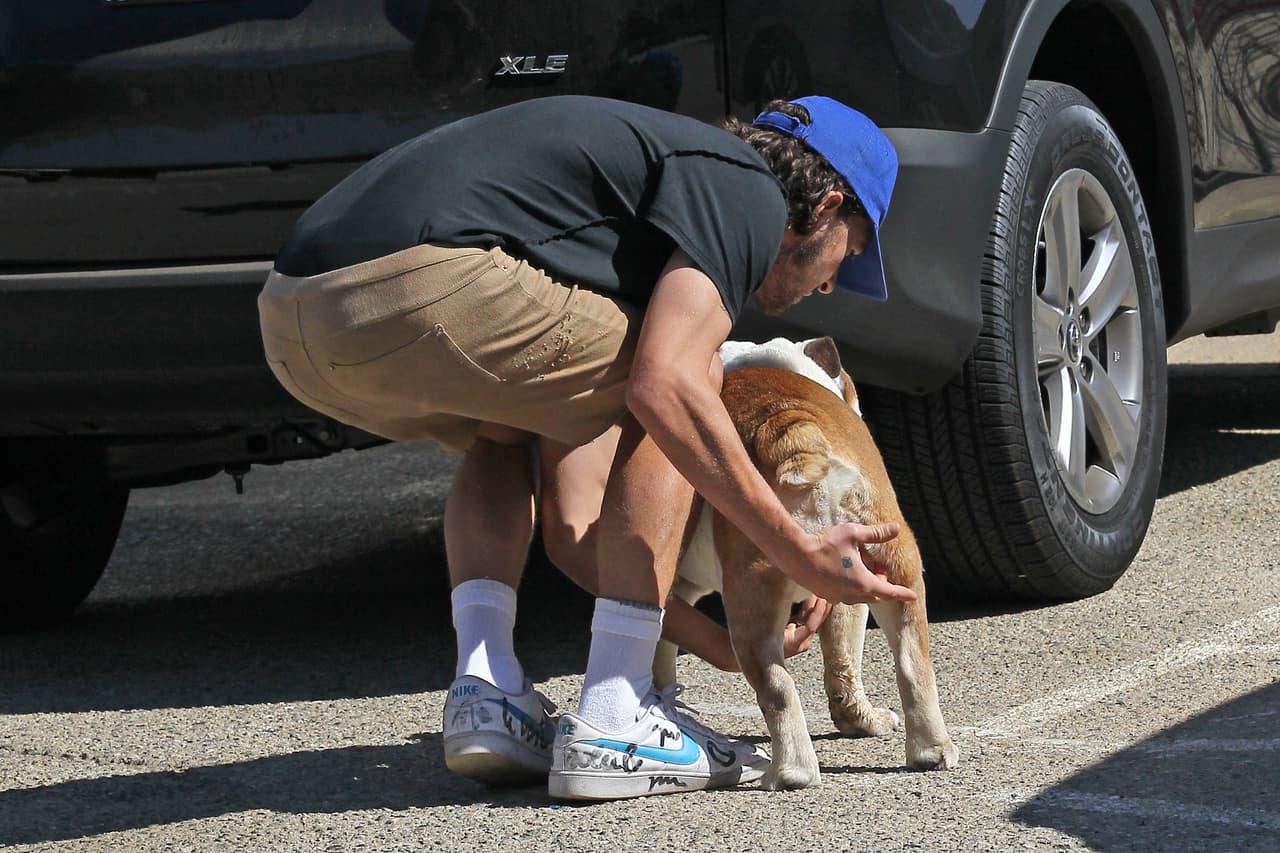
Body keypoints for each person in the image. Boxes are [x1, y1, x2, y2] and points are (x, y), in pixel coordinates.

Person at [257, 93, 914, 801]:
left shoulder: (631, 216)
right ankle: (617, 711)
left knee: (504, 427)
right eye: (848, 254)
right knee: (691, 369)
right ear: (824, 207)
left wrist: (720, 643)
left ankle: (487, 688)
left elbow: (575, 535)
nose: (829, 283)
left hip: (297, 314)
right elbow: (666, 390)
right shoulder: (745, 187)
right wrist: (793, 545)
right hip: (424, 282)